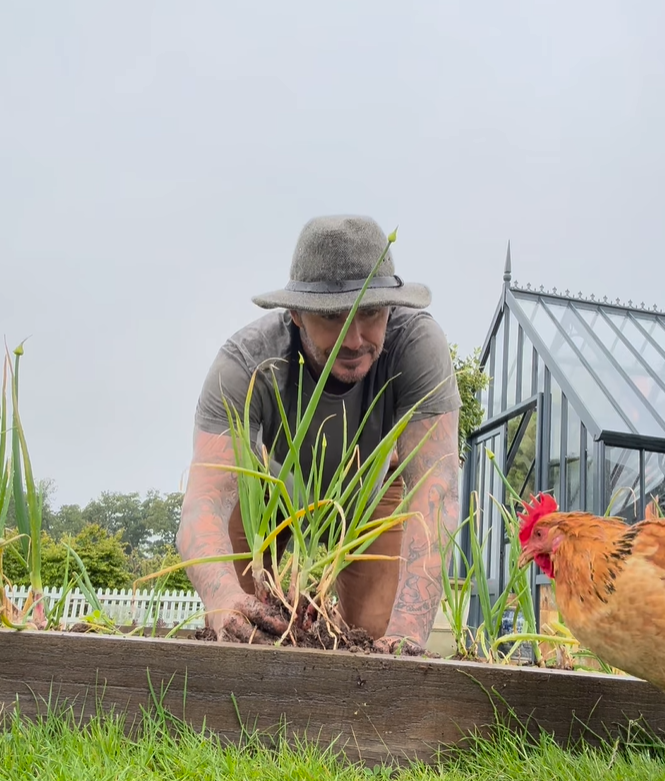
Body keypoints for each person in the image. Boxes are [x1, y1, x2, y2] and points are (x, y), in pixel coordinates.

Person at [176, 214, 461, 654]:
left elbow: (436, 492)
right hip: (271, 499)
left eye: (370, 313)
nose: (355, 339)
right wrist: (221, 599)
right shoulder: (246, 363)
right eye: (332, 317)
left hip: (371, 495)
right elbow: (203, 504)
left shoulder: (416, 346)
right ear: (295, 313)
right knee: (241, 625)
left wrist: (407, 632)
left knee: (372, 632)